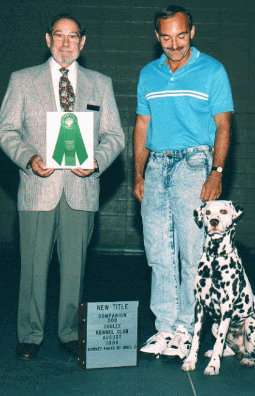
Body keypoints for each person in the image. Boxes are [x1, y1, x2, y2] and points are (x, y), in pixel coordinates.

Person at [0, 14, 124, 360]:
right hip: (37, 187)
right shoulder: (22, 80)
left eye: (73, 37)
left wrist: (97, 161)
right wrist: (28, 158)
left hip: (81, 190)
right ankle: (30, 334)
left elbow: (114, 135)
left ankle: (70, 331)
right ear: (47, 39)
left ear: (83, 43)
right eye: (59, 35)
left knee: (75, 268)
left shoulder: (101, 83)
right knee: (33, 268)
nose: (66, 43)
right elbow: (6, 130)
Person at [133, 5, 234, 359]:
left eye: (180, 35)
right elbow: (142, 126)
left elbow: (223, 125)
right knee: (158, 251)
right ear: (156, 36)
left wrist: (216, 172)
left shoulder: (213, 71)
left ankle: (188, 330)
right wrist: (138, 173)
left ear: (192, 32)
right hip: (156, 166)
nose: (174, 44)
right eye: (165, 37)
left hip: (194, 164)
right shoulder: (149, 73)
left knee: (192, 252)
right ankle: (165, 330)